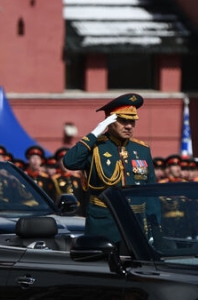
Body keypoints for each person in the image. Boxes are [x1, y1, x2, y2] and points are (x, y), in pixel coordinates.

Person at [63, 93, 156, 243]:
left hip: (136, 222)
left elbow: (151, 191)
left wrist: (155, 228)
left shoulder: (142, 149)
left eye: (132, 121)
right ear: (109, 122)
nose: (128, 126)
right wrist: (95, 133)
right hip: (104, 222)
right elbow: (70, 162)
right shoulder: (95, 147)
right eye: (122, 120)